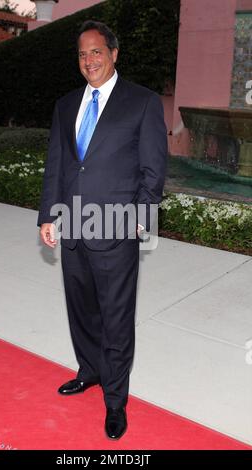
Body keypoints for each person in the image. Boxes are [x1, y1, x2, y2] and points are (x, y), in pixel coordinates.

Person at [38, 20, 167, 440]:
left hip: (116, 228)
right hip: (73, 226)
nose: (89, 60)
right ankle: (90, 371)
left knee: (115, 317)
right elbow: (58, 166)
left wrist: (139, 220)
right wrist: (47, 215)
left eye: (96, 52)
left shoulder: (142, 103)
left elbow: (154, 170)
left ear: (113, 54)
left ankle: (115, 401)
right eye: (82, 54)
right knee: (82, 309)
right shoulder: (65, 104)